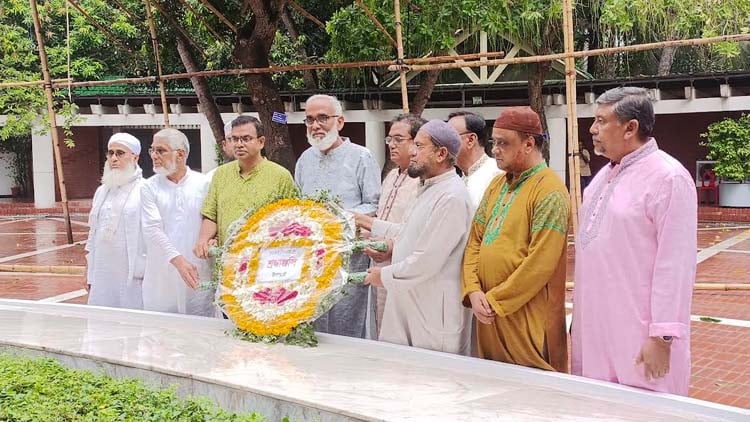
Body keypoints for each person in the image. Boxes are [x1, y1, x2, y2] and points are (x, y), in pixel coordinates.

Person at [572, 87, 697, 395]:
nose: (592, 129)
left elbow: (676, 264)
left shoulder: (669, 179)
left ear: (630, 128)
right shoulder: (601, 178)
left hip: (640, 335)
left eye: (601, 121)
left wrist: (662, 337)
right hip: (597, 329)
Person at [462, 106, 569, 372]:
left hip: (526, 317)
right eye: (494, 142)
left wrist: (496, 300)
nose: (495, 150)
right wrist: (473, 290)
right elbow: (475, 240)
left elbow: (540, 264)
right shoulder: (497, 185)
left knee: (531, 398)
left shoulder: (550, 189)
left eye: (503, 143)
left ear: (529, 143)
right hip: (488, 313)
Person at [358, 119, 472, 355]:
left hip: (432, 310)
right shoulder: (428, 187)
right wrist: (365, 222)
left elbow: (426, 259)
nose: (412, 152)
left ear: (441, 154)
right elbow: (408, 232)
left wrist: (383, 276)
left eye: (419, 146)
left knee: (432, 381)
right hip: (409, 301)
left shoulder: (452, 196)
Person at [294, 94, 381, 339]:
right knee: (313, 318)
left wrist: (337, 220)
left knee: (347, 318)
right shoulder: (304, 159)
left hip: (349, 255)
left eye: (323, 118)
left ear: (340, 122)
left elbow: (374, 204)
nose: (316, 125)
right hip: (312, 257)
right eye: (310, 120)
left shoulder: (361, 156)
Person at [195, 115, 296, 256]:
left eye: (246, 139)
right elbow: (211, 214)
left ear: (261, 142)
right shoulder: (221, 174)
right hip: (228, 260)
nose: (239, 144)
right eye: (235, 139)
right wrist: (203, 240)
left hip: (266, 261)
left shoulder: (280, 176)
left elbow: (292, 219)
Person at [141, 128, 215, 316]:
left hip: (199, 270)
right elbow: (152, 229)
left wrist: (214, 239)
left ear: (180, 154)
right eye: (152, 150)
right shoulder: (149, 187)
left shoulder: (204, 184)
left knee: (200, 329)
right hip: (163, 272)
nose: (154, 156)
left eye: (161, 150)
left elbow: (213, 220)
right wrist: (179, 262)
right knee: (161, 335)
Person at [368, 114, 425, 334]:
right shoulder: (391, 175)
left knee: (400, 329)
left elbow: (414, 227)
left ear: (415, 142)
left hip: (404, 266)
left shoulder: (422, 180)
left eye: (398, 139)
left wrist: (390, 246)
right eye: (389, 139)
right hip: (378, 263)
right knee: (381, 325)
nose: (391, 145)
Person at [85, 132, 146, 309]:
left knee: (133, 324)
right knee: (101, 324)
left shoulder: (146, 190)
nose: (113, 158)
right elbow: (92, 234)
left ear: (135, 157)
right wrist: (88, 272)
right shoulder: (102, 191)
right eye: (110, 153)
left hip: (133, 273)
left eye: (120, 153)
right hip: (102, 272)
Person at [448, 111, 502, 209]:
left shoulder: (497, 176)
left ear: (471, 140)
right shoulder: (459, 179)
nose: (443, 143)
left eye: (449, 136)